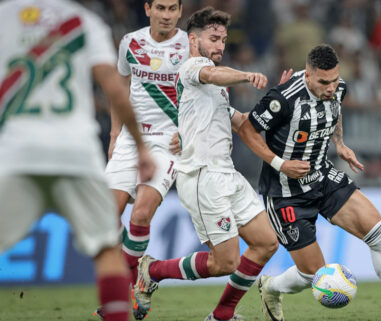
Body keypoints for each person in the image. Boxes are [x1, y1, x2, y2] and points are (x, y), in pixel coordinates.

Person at [238, 44, 381, 321]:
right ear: (308, 74)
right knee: (313, 275)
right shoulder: (282, 98)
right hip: (285, 193)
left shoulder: (338, 88)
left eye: (335, 80)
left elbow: (334, 112)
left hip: (323, 177)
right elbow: (247, 130)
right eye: (324, 82)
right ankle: (271, 287)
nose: (330, 87)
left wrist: (339, 143)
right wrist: (281, 164)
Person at [132, 7, 294, 321]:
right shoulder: (193, 68)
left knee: (266, 243)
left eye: (223, 40)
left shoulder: (215, 89)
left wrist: (278, 98)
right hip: (202, 176)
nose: (220, 45)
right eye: (214, 38)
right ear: (194, 39)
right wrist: (247, 74)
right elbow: (211, 73)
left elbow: (243, 123)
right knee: (225, 262)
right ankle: (153, 271)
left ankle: (222, 315)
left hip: (227, 174)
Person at [0, 1, 156, 321]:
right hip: (76, 150)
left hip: (16, 151)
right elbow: (114, 87)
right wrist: (141, 147)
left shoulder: (3, 18)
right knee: (106, 249)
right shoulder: (83, 21)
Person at [103, 1, 188, 317]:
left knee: (139, 216)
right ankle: (142, 266)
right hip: (130, 140)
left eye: (172, 8)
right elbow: (119, 88)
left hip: (168, 144)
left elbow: (202, 92)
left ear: (180, 11)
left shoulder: (189, 46)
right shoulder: (130, 42)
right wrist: (114, 136)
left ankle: (127, 292)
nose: (166, 15)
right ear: (148, 8)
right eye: (161, 7)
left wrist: (187, 131)